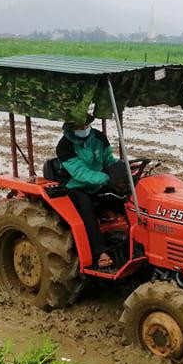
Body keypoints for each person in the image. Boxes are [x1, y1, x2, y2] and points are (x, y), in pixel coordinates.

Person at [56, 114, 123, 269]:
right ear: (70, 128)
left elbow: (109, 160)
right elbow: (80, 173)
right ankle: (100, 251)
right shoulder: (64, 146)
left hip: (98, 182)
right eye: (80, 127)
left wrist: (120, 170)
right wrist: (106, 178)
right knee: (86, 205)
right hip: (74, 186)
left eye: (86, 126)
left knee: (125, 195)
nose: (84, 129)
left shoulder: (99, 138)